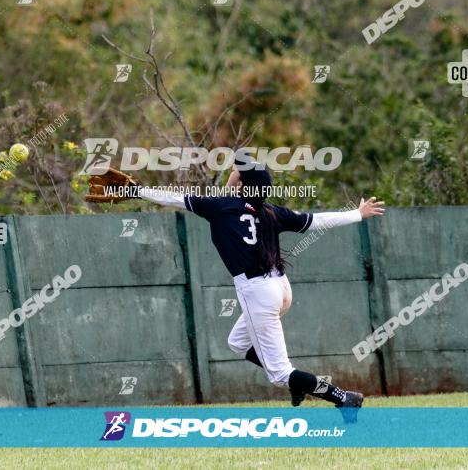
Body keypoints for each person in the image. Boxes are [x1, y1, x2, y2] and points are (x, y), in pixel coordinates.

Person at [135, 161, 385, 422]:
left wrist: (134, 191)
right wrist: (358, 214)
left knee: (279, 374)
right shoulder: (270, 212)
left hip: (258, 293)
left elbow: (172, 198)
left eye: (237, 172)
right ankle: (301, 385)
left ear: (241, 183)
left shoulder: (219, 207)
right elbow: (315, 220)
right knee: (237, 342)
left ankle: (343, 398)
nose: (233, 172)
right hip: (281, 288)